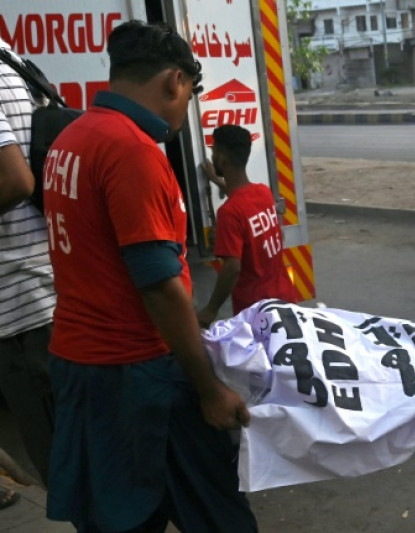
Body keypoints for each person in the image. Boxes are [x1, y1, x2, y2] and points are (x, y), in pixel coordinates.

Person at [43, 21, 257, 531]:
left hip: (81, 365)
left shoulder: (71, 138)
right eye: (190, 91)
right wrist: (208, 389)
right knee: (220, 516)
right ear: (173, 82)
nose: (186, 106)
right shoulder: (133, 151)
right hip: (138, 372)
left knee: (116, 516)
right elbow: (159, 287)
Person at [0, 37, 56, 491]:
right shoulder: (15, 62)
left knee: (64, 468)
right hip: (52, 285)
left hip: (20, 303)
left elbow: (16, 180)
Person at [197, 124, 299, 328]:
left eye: (214, 151)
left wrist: (210, 310)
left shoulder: (229, 213)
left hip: (255, 313)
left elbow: (232, 268)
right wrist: (217, 181)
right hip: (284, 299)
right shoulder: (263, 192)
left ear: (223, 158)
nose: (213, 156)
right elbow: (241, 198)